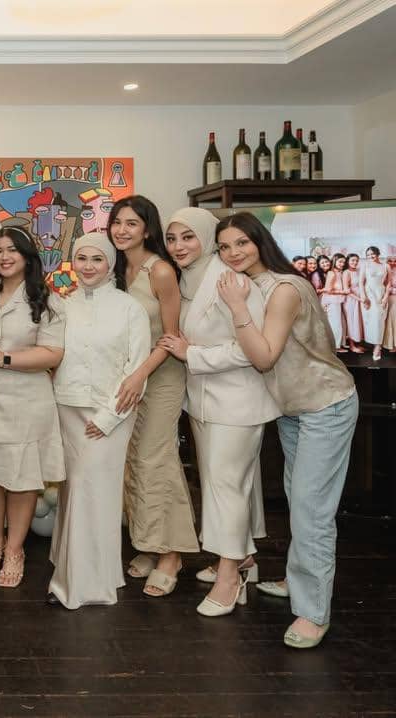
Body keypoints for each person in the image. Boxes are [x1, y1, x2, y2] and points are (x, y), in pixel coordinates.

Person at [213, 211, 357, 649]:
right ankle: (299, 580)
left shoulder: (285, 288)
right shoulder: (254, 285)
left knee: (312, 511)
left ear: (260, 241)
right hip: (292, 409)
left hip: (325, 405)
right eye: (224, 247)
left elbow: (263, 357)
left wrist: (237, 308)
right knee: (299, 501)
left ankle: (313, 612)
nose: (233, 253)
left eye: (242, 242)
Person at [158, 207, 279, 617]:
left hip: (237, 402)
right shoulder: (188, 278)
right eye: (172, 238)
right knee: (225, 484)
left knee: (226, 488)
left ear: (206, 237)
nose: (179, 246)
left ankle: (230, 578)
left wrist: (192, 354)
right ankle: (243, 558)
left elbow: (251, 349)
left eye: (188, 237)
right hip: (204, 401)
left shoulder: (232, 281)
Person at [47, 232, 149, 609]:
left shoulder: (129, 308)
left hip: (111, 414)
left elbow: (137, 369)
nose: (88, 267)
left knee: (95, 493)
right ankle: (80, 570)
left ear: (110, 264)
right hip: (66, 409)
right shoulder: (61, 305)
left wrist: (108, 418)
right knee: (74, 490)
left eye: (97, 259)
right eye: (82, 259)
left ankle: (82, 586)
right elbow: (50, 356)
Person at [107, 196, 199, 597]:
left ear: (147, 229)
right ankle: (148, 542)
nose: (122, 230)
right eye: (117, 222)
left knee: (154, 459)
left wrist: (139, 374)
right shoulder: (115, 268)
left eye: (131, 223)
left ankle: (171, 555)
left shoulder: (160, 270)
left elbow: (171, 336)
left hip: (160, 375)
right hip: (126, 378)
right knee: (131, 462)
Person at [0, 227, 65, 588]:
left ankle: (14, 549)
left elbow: (52, 353)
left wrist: (5, 358)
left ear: (27, 256)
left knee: (23, 478)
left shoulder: (45, 299)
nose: (4, 257)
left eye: (12, 250)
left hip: (26, 400)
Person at [360, 246, 389, 361]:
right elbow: (361, 282)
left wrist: (385, 297)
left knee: (379, 320)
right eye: (368, 255)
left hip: (380, 294)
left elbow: (388, 283)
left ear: (378, 254)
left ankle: (377, 347)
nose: (370, 256)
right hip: (369, 294)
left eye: (372, 254)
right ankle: (374, 343)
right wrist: (363, 296)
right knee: (371, 321)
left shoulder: (385, 266)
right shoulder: (365, 265)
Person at [320, 254, 347, 351]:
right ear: (335, 261)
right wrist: (342, 292)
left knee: (338, 324)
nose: (342, 264)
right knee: (335, 325)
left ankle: (337, 345)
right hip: (331, 301)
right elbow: (328, 290)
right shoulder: (332, 273)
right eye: (340, 262)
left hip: (336, 301)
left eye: (343, 262)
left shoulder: (340, 273)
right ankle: (335, 347)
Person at [343, 254, 365, 353]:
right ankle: (352, 345)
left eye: (356, 260)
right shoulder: (346, 272)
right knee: (351, 321)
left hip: (360, 299)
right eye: (352, 260)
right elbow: (346, 290)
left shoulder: (359, 270)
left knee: (358, 321)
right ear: (348, 261)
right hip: (351, 300)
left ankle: (357, 343)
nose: (355, 262)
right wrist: (360, 299)